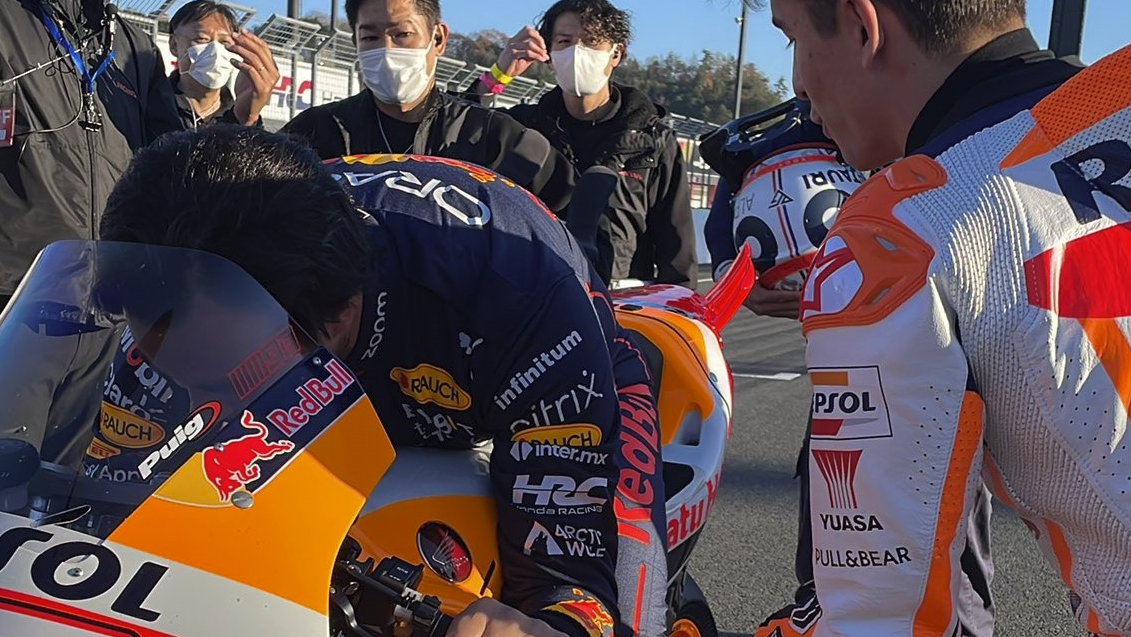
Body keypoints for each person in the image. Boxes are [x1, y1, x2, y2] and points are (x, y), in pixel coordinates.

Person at [96, 125, 669, 637]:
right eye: (165, 361)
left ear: (340, 314)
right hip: (410, 353)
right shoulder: (185, 295)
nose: (197, 401)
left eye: (228, 377)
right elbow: (100, 519)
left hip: (558, 359)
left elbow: (570, 583)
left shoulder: (516, 294)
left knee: (621, 613)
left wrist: (560, 619)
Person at [765, 0, 1131, 634]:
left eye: (792, 38)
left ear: (863, 26)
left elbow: (880, 618)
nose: (797, 84)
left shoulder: (899, 233)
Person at [702, 102, 995, 637]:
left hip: (943, 343)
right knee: (838, 523)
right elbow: (736, 172)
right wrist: (734, 267)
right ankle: (826, 608)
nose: (803, 87)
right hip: (854, 360)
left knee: (944, 522)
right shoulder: (813, 116)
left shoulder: (936, 115)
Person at [473, 0, 697, 289]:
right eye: (564, 42)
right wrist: (496, 77)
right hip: (535, 299)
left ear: (616, 53)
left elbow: (677, 253)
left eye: (592, 41)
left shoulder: (652, 141)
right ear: (549, 54)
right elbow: (456, 142)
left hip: (622, 303)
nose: (577, 52)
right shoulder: (523, 128)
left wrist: (679, 307)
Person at [281, 0, 576, 217]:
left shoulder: (491, 135)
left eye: (402, 34)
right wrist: (253, 118)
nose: (387, 50)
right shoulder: (317, 130)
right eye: (370, 37)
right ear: (355, 42)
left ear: (438, 39)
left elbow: (572, 211)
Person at [0, 0, 183, 311]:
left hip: (110, 290)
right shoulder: (7, 18)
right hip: (14, 287)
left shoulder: (137, 47)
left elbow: (167, 160)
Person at [166, 0, 279, 129]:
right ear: (174, 45)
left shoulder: (235, 111)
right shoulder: (155, 104)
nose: (215, 50)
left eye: (224, 42)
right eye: (201, 39)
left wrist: (248, 119)